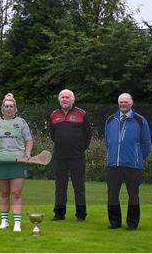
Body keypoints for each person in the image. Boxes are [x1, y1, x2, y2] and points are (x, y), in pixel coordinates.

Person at [0, 93, 33, 232]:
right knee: (4, 193)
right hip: (0, 162)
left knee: (16, 193)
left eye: (11, 106)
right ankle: (4, 221)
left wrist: (28, 154)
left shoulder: (22, 123)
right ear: (2, 108)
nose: (9, 108)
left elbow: (28, 140)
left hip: (17, 162)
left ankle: (17, 223)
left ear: (15, 108)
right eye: (6, 106)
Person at [104, 93, 151, 230]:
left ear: (131, 103)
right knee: (112, 194)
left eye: (125, 102)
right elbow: (107, 141)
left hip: (133, 165)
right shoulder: (110, 120)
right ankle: (114, 222)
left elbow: (146, 143)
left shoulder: (140, 120)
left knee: (133, 195)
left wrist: (138, 157)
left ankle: (132, 223)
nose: (123, 104)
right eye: (121, 102)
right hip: (114, 163)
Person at [49, 89, 92, 222]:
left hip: (77, 157)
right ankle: (59, 214)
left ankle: (81, 214)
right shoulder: (53, 115)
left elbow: (88, 135)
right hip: (59, 157)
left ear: (72, 100)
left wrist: (80, 149)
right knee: (60, 188)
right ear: (59, 100)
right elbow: (53, 135)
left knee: (79, 188)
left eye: (67, 97)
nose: (65, 99)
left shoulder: (82, 114)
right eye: (62, 97)